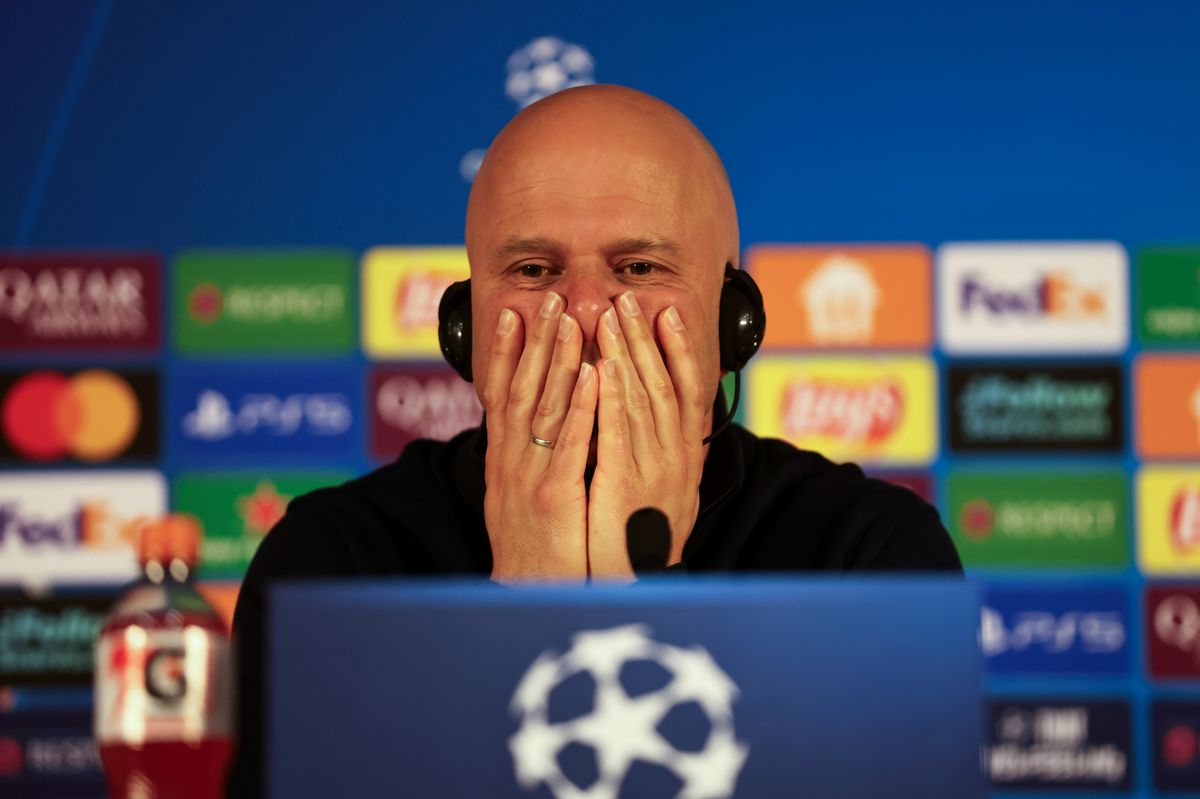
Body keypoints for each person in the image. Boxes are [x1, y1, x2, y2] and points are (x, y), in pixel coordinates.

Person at [225, 85, 961, 796]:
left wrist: (644, 594)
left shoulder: (870, 561)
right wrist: (519, 608)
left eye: (638, 268)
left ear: (732, 318)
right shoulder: (329, 568)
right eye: (532, 270)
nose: (580, 309)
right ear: (464, 327)